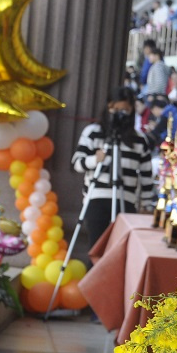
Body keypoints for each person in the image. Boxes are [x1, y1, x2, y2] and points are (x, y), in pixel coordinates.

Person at [71, 87, 155, 247]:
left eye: (124, 110)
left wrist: (146, 204)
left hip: (126, 201)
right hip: (96, 198)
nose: (118, 114)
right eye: (115, 109)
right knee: (96, 249)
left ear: (131, 111)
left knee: (118, 252)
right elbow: (77, 163)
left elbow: (146, 176)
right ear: (108, 107)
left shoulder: (139, 139)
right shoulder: (93, 132)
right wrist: (95, 159)